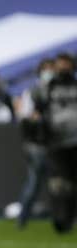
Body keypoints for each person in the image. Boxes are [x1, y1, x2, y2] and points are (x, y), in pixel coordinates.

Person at [37, 53, 77, 233]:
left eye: (66, 64)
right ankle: (61, 219)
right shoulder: (49, 86)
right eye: (60, 65)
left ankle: (69, 217)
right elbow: (40, 108)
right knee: (60, 182)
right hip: (57, 141)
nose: (63, 68)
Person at [16, 58, 54, 228]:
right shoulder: (32, 91)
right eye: (46, 69)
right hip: (37, 143)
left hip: (58, 142)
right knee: (34, 182)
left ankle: (62, 218)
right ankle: (23, 217)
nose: (49, 72)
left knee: (60, 182)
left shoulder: (62, 90)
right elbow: (24, 115)